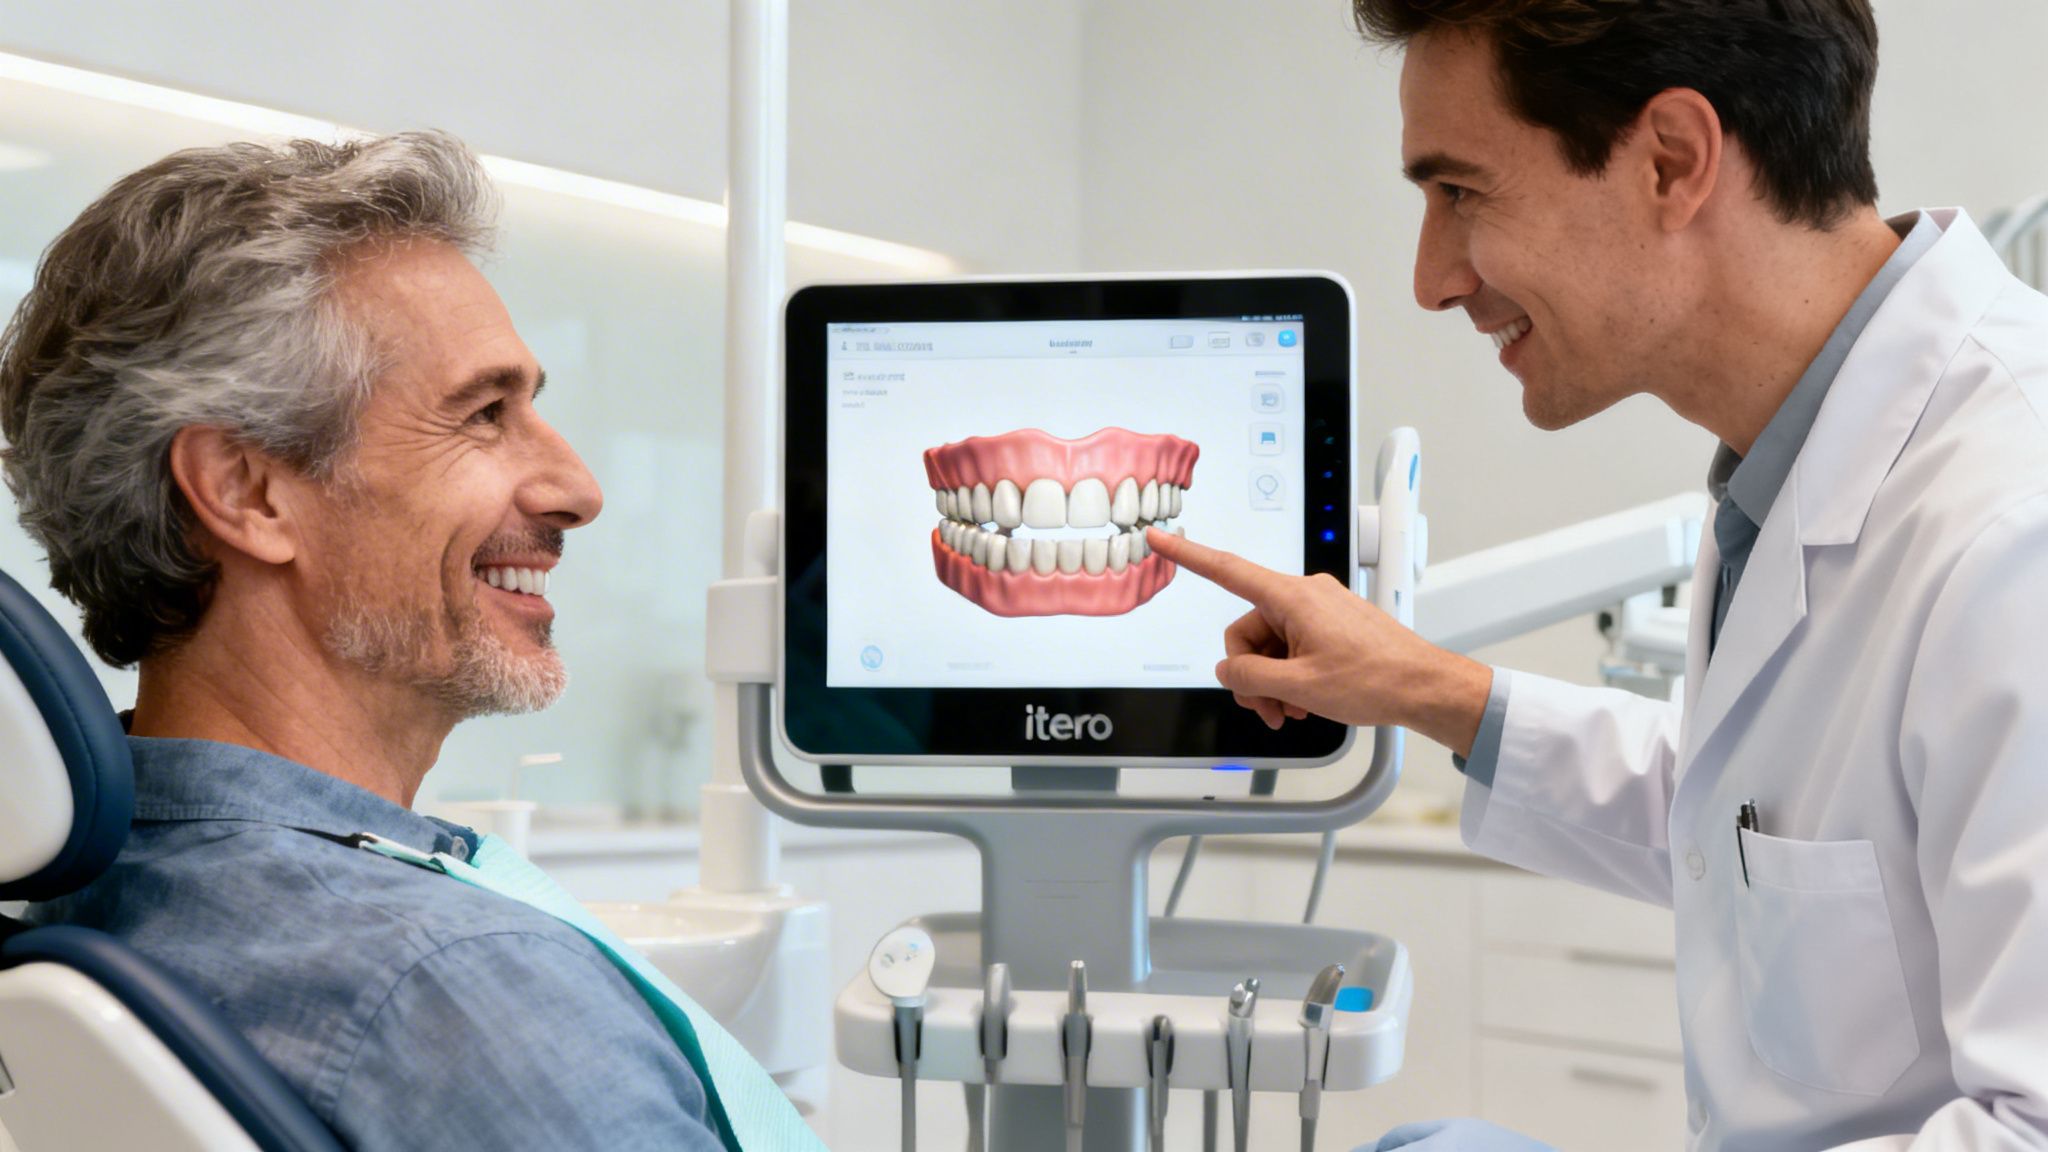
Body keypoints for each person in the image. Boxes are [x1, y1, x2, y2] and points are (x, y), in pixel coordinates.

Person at [1146, 2, 2048, 1149]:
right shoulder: (1789, 473)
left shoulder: (2012, 524)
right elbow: (1755, 825)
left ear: (1670, 161)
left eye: (1459, 193)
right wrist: (1424, 690)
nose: (1429, 279)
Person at [0, 133, 738, 1149]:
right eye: (483, 414)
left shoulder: (99, 899)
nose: (578, 488)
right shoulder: (456, 987)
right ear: (246, 492)